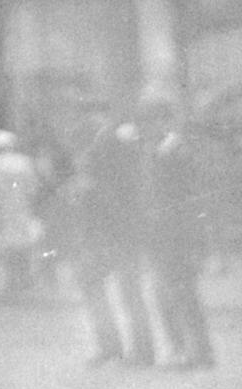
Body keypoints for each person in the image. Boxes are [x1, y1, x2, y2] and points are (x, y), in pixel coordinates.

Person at [68, 110, 157, 366]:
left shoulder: (106, 146)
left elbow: (109, 191)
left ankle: (124, 348)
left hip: (112, 232)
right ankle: (128, 348)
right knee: (119, 289)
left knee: (122, 289)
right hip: (115, 231)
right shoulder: (110, 144)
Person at [140, 99, 215, 369]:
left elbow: (190, 199)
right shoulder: (159, 151)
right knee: (169, 294)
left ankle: (193, 351)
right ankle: (184, 349)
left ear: (165, 120)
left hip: (178, 235)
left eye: (156, 120)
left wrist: (196, 240)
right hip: (162, 234)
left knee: (182, 294)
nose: (151, 127)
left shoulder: (177, 152)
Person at [0, 129, 45, 294]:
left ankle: (8, 282)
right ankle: (24, 280)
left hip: (0, 209)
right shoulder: (25, 162)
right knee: (24, 242)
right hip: (23, 207)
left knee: (4, 243)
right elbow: (34, 188)